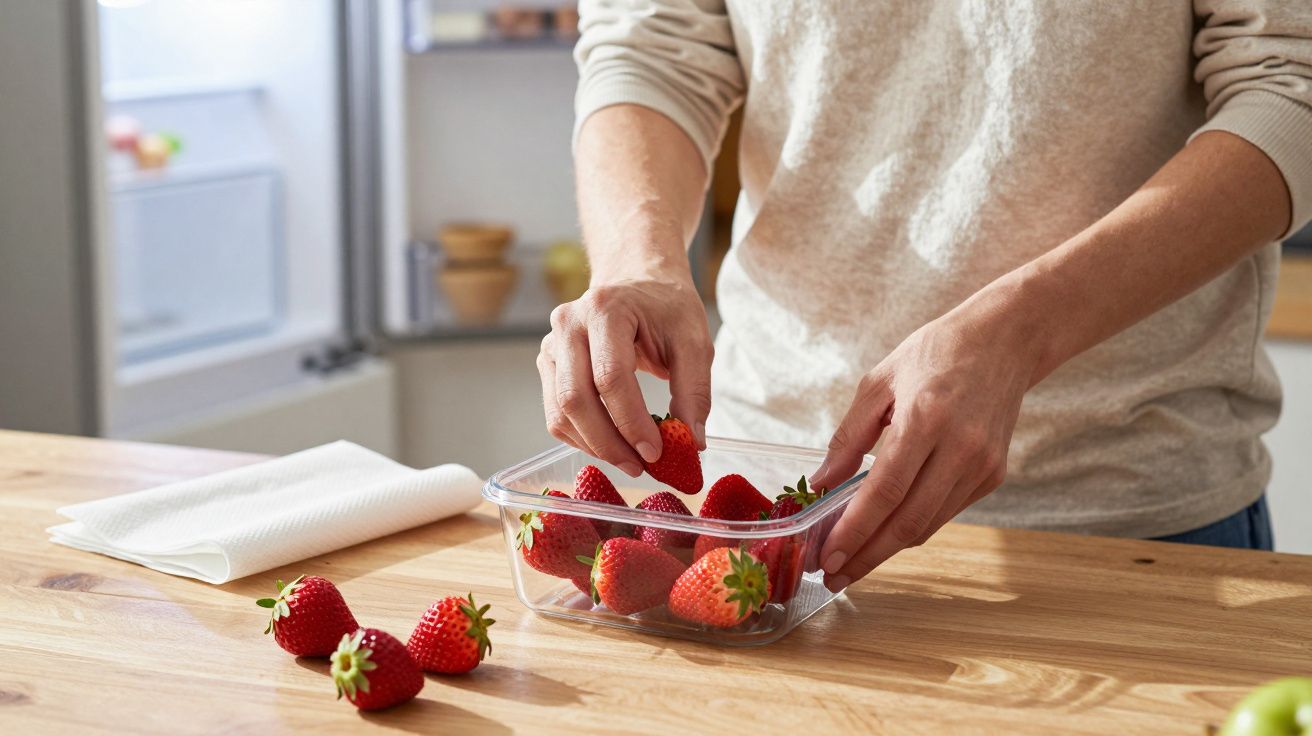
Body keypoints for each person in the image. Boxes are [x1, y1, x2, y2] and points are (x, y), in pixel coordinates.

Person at [537, 1, 1312, 592]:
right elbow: (649, 49)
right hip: (762, 518)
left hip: (1128, 519)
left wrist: (1022, 331)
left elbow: (1292, 83)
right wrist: (639, 262)